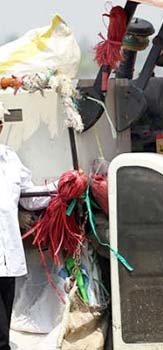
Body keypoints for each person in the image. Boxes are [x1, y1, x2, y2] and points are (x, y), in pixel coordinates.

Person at [0, 113, 54, 350]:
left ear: (0, 127)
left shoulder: (10, 159)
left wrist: (59, 188)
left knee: (5, 318)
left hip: (7, 255)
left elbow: (29, 199)